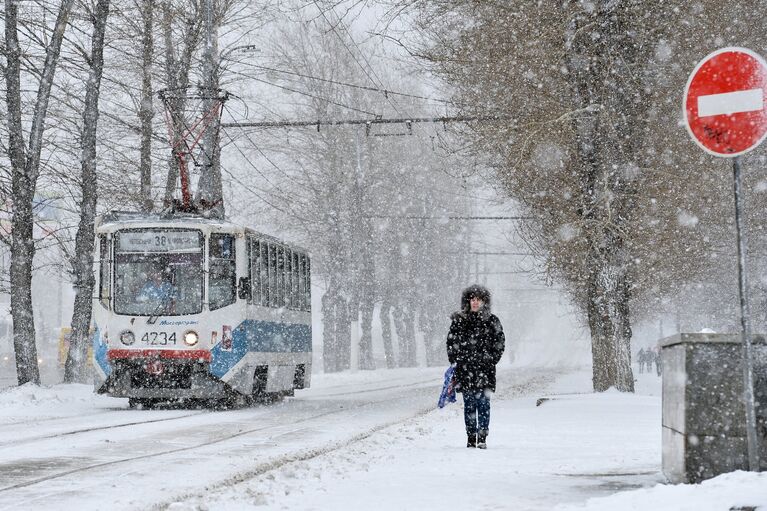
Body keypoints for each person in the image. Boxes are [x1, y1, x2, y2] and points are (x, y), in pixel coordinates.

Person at [446, 284, 505, 449]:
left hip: (485, 371)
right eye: (472, 299)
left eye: (478, 299)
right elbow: (451, 343)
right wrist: (456, 360)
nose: (475, 302)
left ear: (484, 301)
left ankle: (483, 437)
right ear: (467, 301)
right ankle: (471, 436)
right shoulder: (459, 321)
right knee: (469, 405)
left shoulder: (492, 321)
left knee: (484, 404)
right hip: (465, 371)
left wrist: (491, 359)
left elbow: (500, 342)